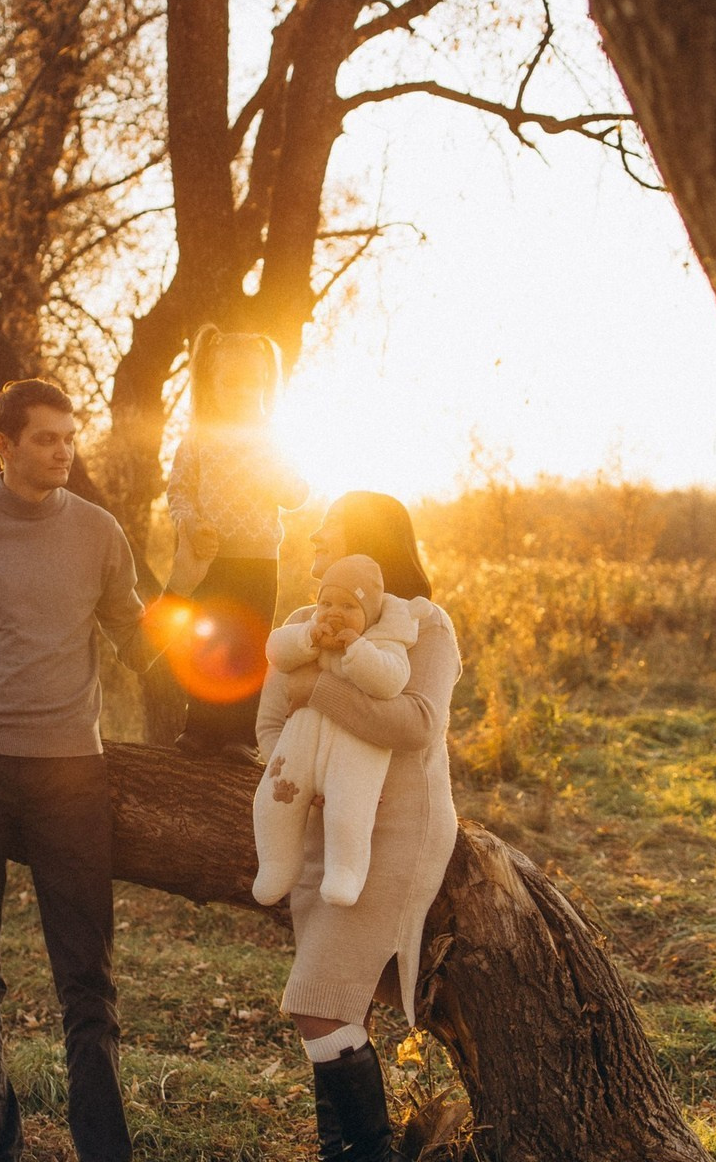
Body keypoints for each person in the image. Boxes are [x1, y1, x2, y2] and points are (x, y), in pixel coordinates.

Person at [0, 378, 210, 1162]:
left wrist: (193, 585)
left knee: (87, 985)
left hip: (72, 776)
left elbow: (137, 644)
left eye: (70, 437)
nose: (64, 450)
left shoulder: (99, 533)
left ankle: (104, 1150)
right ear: (4, 444)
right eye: (47, 438)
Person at [255, 492, 460, 1162]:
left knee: (315, 1001)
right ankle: (338, 1153)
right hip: (318, 830)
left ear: (370, 546)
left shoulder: (425, 627)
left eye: (330, 528)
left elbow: (417, 723)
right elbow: (269, 724)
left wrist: (324, 692)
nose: (313, 535)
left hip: (396, 831)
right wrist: (293, 772)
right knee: (341, 1008)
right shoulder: (302, 624)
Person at [252, 553, 432, 908]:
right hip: (300, 743)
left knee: (349, 812)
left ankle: (345, 871)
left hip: (353, 752)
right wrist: (308, 638)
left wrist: (356, 649)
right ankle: (275, 864)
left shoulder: (385, 642)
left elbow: (389, 682)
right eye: (326, 603)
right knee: (273, 800)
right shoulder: (307, 630)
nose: (334, 612)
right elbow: (276, 649)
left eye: (349, 605)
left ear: (370, 615)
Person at [167, 324, 308, 763]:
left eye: (254, 383)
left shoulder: (274, 438)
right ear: (213, 383)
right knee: (208, 641)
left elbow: (296, 494)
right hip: (211, 560)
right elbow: (179, 491)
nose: (244, 391)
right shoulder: (199, 437)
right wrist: (190, 523)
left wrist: (278, 479)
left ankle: (239, 737)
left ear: (267, 385)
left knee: (249, 646)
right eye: (233, 382)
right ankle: (200, 730)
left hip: (260, 560)